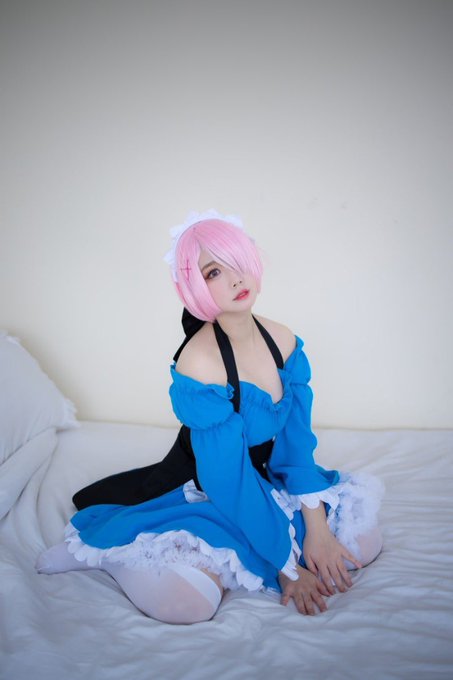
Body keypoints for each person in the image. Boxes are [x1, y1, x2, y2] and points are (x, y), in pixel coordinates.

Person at [36, 209, 384, 624]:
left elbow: (296, 445)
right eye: (214, 272)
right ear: (194, 286)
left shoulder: (283, 340)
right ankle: (112, 555)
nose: (236, 279)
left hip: (265, 477)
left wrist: (318, 530)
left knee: (362, 544)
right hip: (210, 487)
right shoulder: (199, 363)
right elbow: (227, 478)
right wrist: (288, 567)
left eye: (238, 262)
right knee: (188, 605)